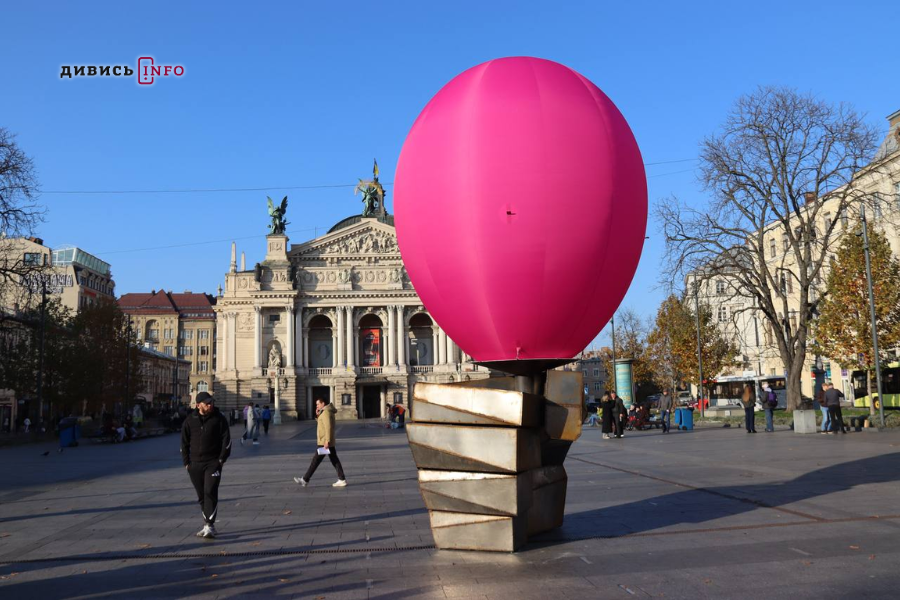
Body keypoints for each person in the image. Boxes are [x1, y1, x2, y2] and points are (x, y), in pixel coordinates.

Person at [181, 391, 231, 539]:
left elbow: (226, 440)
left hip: (213, 463)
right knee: (201, 495)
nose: (210, 405)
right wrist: (187, 463)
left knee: (210, 491)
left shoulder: (219, 419)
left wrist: (221, 460)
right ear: (198, 405)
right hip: (195, 464)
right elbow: (184, 443)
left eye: (211, 403)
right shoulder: (189, 421)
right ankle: (207, 524)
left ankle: (210, 524)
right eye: (207, 403)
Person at [294, 398, 347, 487]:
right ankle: (341, 478)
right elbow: (322, 423)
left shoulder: (326, 412)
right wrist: (318, 415)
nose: (317, 406)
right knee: (333, 459)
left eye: (318, 404)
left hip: (324, 441)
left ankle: (305, 479)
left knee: (316, 460)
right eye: (316, 404)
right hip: (326, 441)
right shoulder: (325, 411)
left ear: (323, 403)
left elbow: (328, 427)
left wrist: (327, 441)